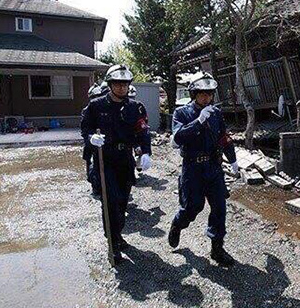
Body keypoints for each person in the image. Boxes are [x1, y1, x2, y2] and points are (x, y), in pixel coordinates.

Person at [80, 64, 153, 264]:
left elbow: (143, 131)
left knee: (121, 203)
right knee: (110, 203)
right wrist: (90, 139)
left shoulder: (134, 107)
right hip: (105, 160)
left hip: (125, 160)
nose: (121, 88)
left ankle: (117, 236)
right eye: (117, 84)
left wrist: (146, 152)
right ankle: (112, 245)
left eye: (125, 84)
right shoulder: (96, 105)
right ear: (110, 85)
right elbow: (85, 128)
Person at [168, 72, 239, 267]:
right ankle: (177, 224)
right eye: (202, 93)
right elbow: (178, 138)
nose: (206, 97)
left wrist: (232, 160)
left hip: (214, 167)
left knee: (219, 207)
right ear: (194, 94)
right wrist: (198, 121)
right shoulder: (181, 113)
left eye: (209, 94)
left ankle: (217, 248)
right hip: (193, 168)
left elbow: (223, 137)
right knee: (193, 207)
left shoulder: (216, 113)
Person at [83, 83, 104, 199]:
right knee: (91, 165)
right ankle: (95, 187)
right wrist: (91, 137)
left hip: (103, 144)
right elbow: (84, 129)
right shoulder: (87, 110)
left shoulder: (105, 108)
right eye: (94, 97)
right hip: (91, 144)